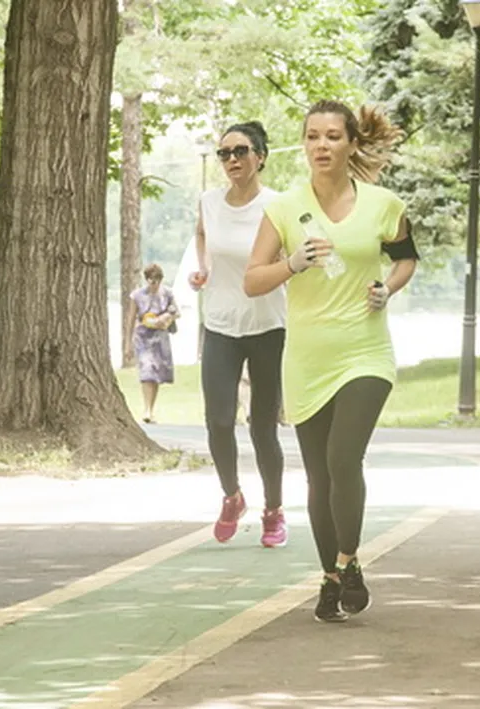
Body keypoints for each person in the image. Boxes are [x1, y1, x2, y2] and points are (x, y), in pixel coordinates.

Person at [244, 100, 417, 623]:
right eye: (313, 136)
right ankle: (329, 577)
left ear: (351, 145)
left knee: (345, 459)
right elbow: (253, 280)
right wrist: (292, 263)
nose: (322, 145)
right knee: (319, 477)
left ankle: (348, 562)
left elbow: (406, 257)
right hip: (307, 358)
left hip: (366, 351)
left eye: (333, 137)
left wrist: (387, 288)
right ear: (304, 145)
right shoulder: (284, 208)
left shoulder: (384, 204)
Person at [187, 121, 289, 548]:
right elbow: (202, 234)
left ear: (260, 156)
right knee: (218, 421)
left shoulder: (279, 205)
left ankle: (274, 510)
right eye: (224, 153)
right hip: (221, 325)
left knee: (263, 428)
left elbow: (294, 254)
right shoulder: (209, 202)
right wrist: (205, 268)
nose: (231, 160)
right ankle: (232, 496)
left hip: (267, 326)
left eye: (241, 151)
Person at [131, 263, 180, 423]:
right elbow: (131, 318)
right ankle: (145, 409)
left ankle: (151, 409)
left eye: (157, 280)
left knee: (157, 373)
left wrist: (166, 318)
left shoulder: (167, 293)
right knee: (146, 370)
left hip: (160, 336)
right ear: (147, 280)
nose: (155, 284)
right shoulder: (137, 295)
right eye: (151, 280)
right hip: (143, 335)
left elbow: (176, 311)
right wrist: (127, 342)